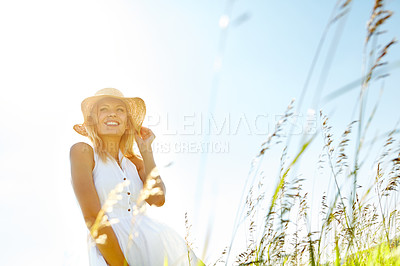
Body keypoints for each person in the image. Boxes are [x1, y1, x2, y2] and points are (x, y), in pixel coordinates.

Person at [70, 88, 204, 266]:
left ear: (127, 123)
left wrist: (146, 151)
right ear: (93, 121)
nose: (112, 114)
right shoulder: (83, 151)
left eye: (120, 110)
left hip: (154, 244)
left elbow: (157, 199)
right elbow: (93, 217)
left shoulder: (136, 162)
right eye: (103, 109)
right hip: (111, 250)